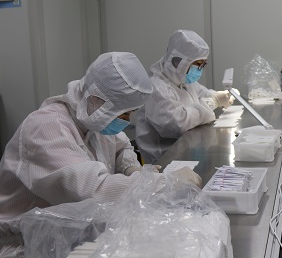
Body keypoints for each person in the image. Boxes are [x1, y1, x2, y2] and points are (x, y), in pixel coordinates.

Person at [0, 52, 202, 256]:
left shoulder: (92, 117)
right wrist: (163, 183)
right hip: (24, 246)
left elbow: (121, 146)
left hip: (65, 237)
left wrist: (131, 168)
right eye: (123, 114)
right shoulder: (46, 128)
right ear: (97, 100)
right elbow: (93, 190)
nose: (126, 121)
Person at [135, 30, 235, 164]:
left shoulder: (181, 78)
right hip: (163, 160)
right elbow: (177, 123)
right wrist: (214, 102)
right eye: (197, 64)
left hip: (187, 150)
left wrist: (218, 95)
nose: (200, 69)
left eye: (203, 64)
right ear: (178, 62)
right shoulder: (156, 87)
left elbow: (200, 92)